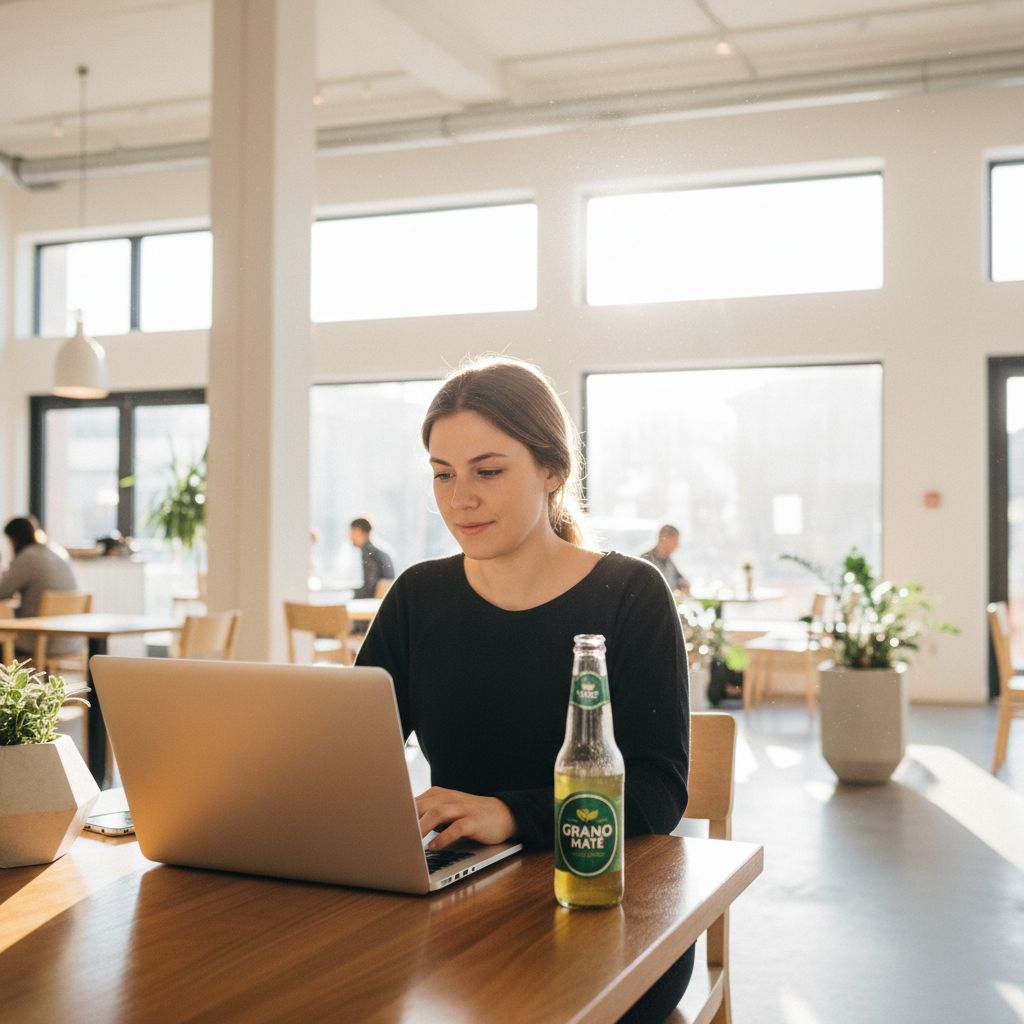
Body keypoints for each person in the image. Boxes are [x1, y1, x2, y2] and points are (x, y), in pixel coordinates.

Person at [356, 356, 692, 1022]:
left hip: (602, 908)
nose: (460, 499)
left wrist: (510, 814)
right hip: (454, 906)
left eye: (487, 472)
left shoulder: (630, 594)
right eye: (443, 474)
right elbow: (349, 756)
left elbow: (659, 790)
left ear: (552, 470)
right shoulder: (418, 597)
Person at [0, 515, 82, 659]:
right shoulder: (57, 551)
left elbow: (3, 591)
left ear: (13, 539)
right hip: (70, 639)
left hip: (39, 639)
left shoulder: (28, 557)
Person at [349, 517, 395, 599]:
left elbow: (370, 588)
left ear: (360, 532)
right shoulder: (376, 550)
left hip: (376, 601)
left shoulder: (369, 553)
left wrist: (349, 594)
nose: (350, 537)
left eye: (352, 532)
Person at [640, 524, 690, 595]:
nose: (676, 546)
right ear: (662, 538)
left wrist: (683, 584)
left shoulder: (669, 562)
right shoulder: (645, 561)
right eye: (674, 541)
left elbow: (680, 579)